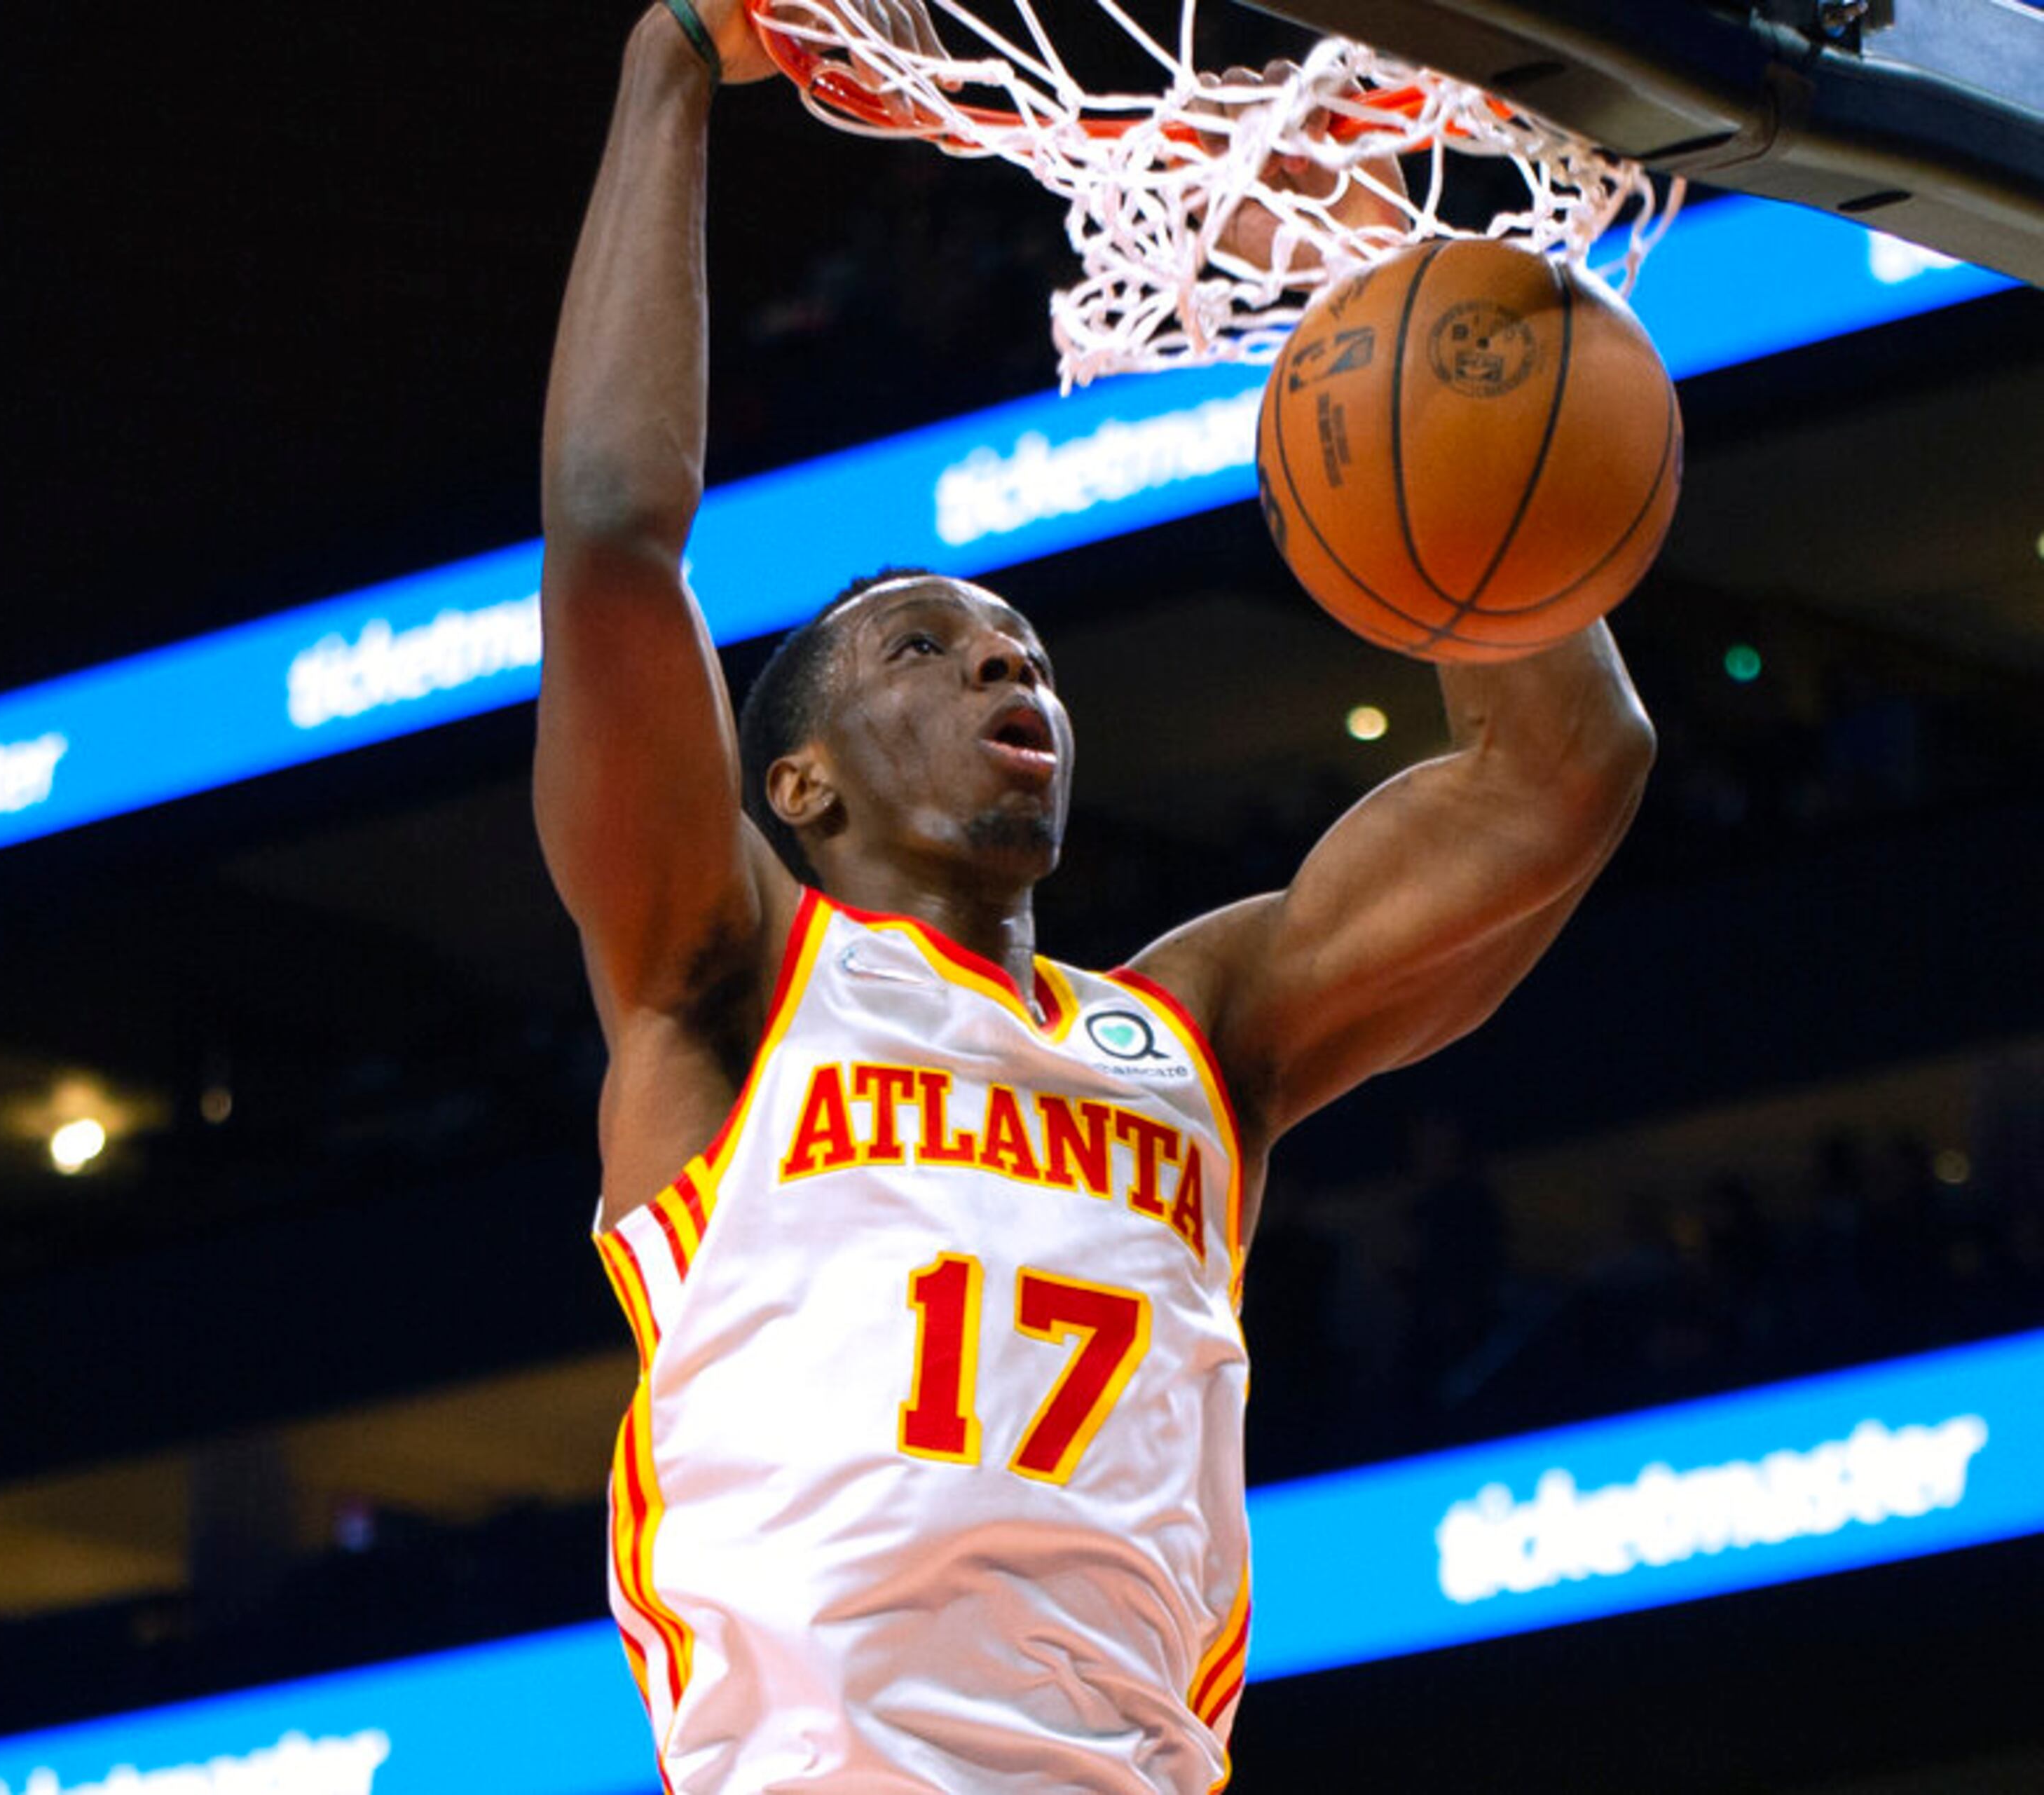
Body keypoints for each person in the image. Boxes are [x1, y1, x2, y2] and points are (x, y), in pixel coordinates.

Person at [533, 4, 1656, 1789]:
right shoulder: (726, 986)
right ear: (796, 784)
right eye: (932, 649)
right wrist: (670, 60)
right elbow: (610, 541)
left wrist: (1370, 304)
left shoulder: (1196, 1033)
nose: (1012, 678)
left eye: (1030, 655)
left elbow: (1560, 775)